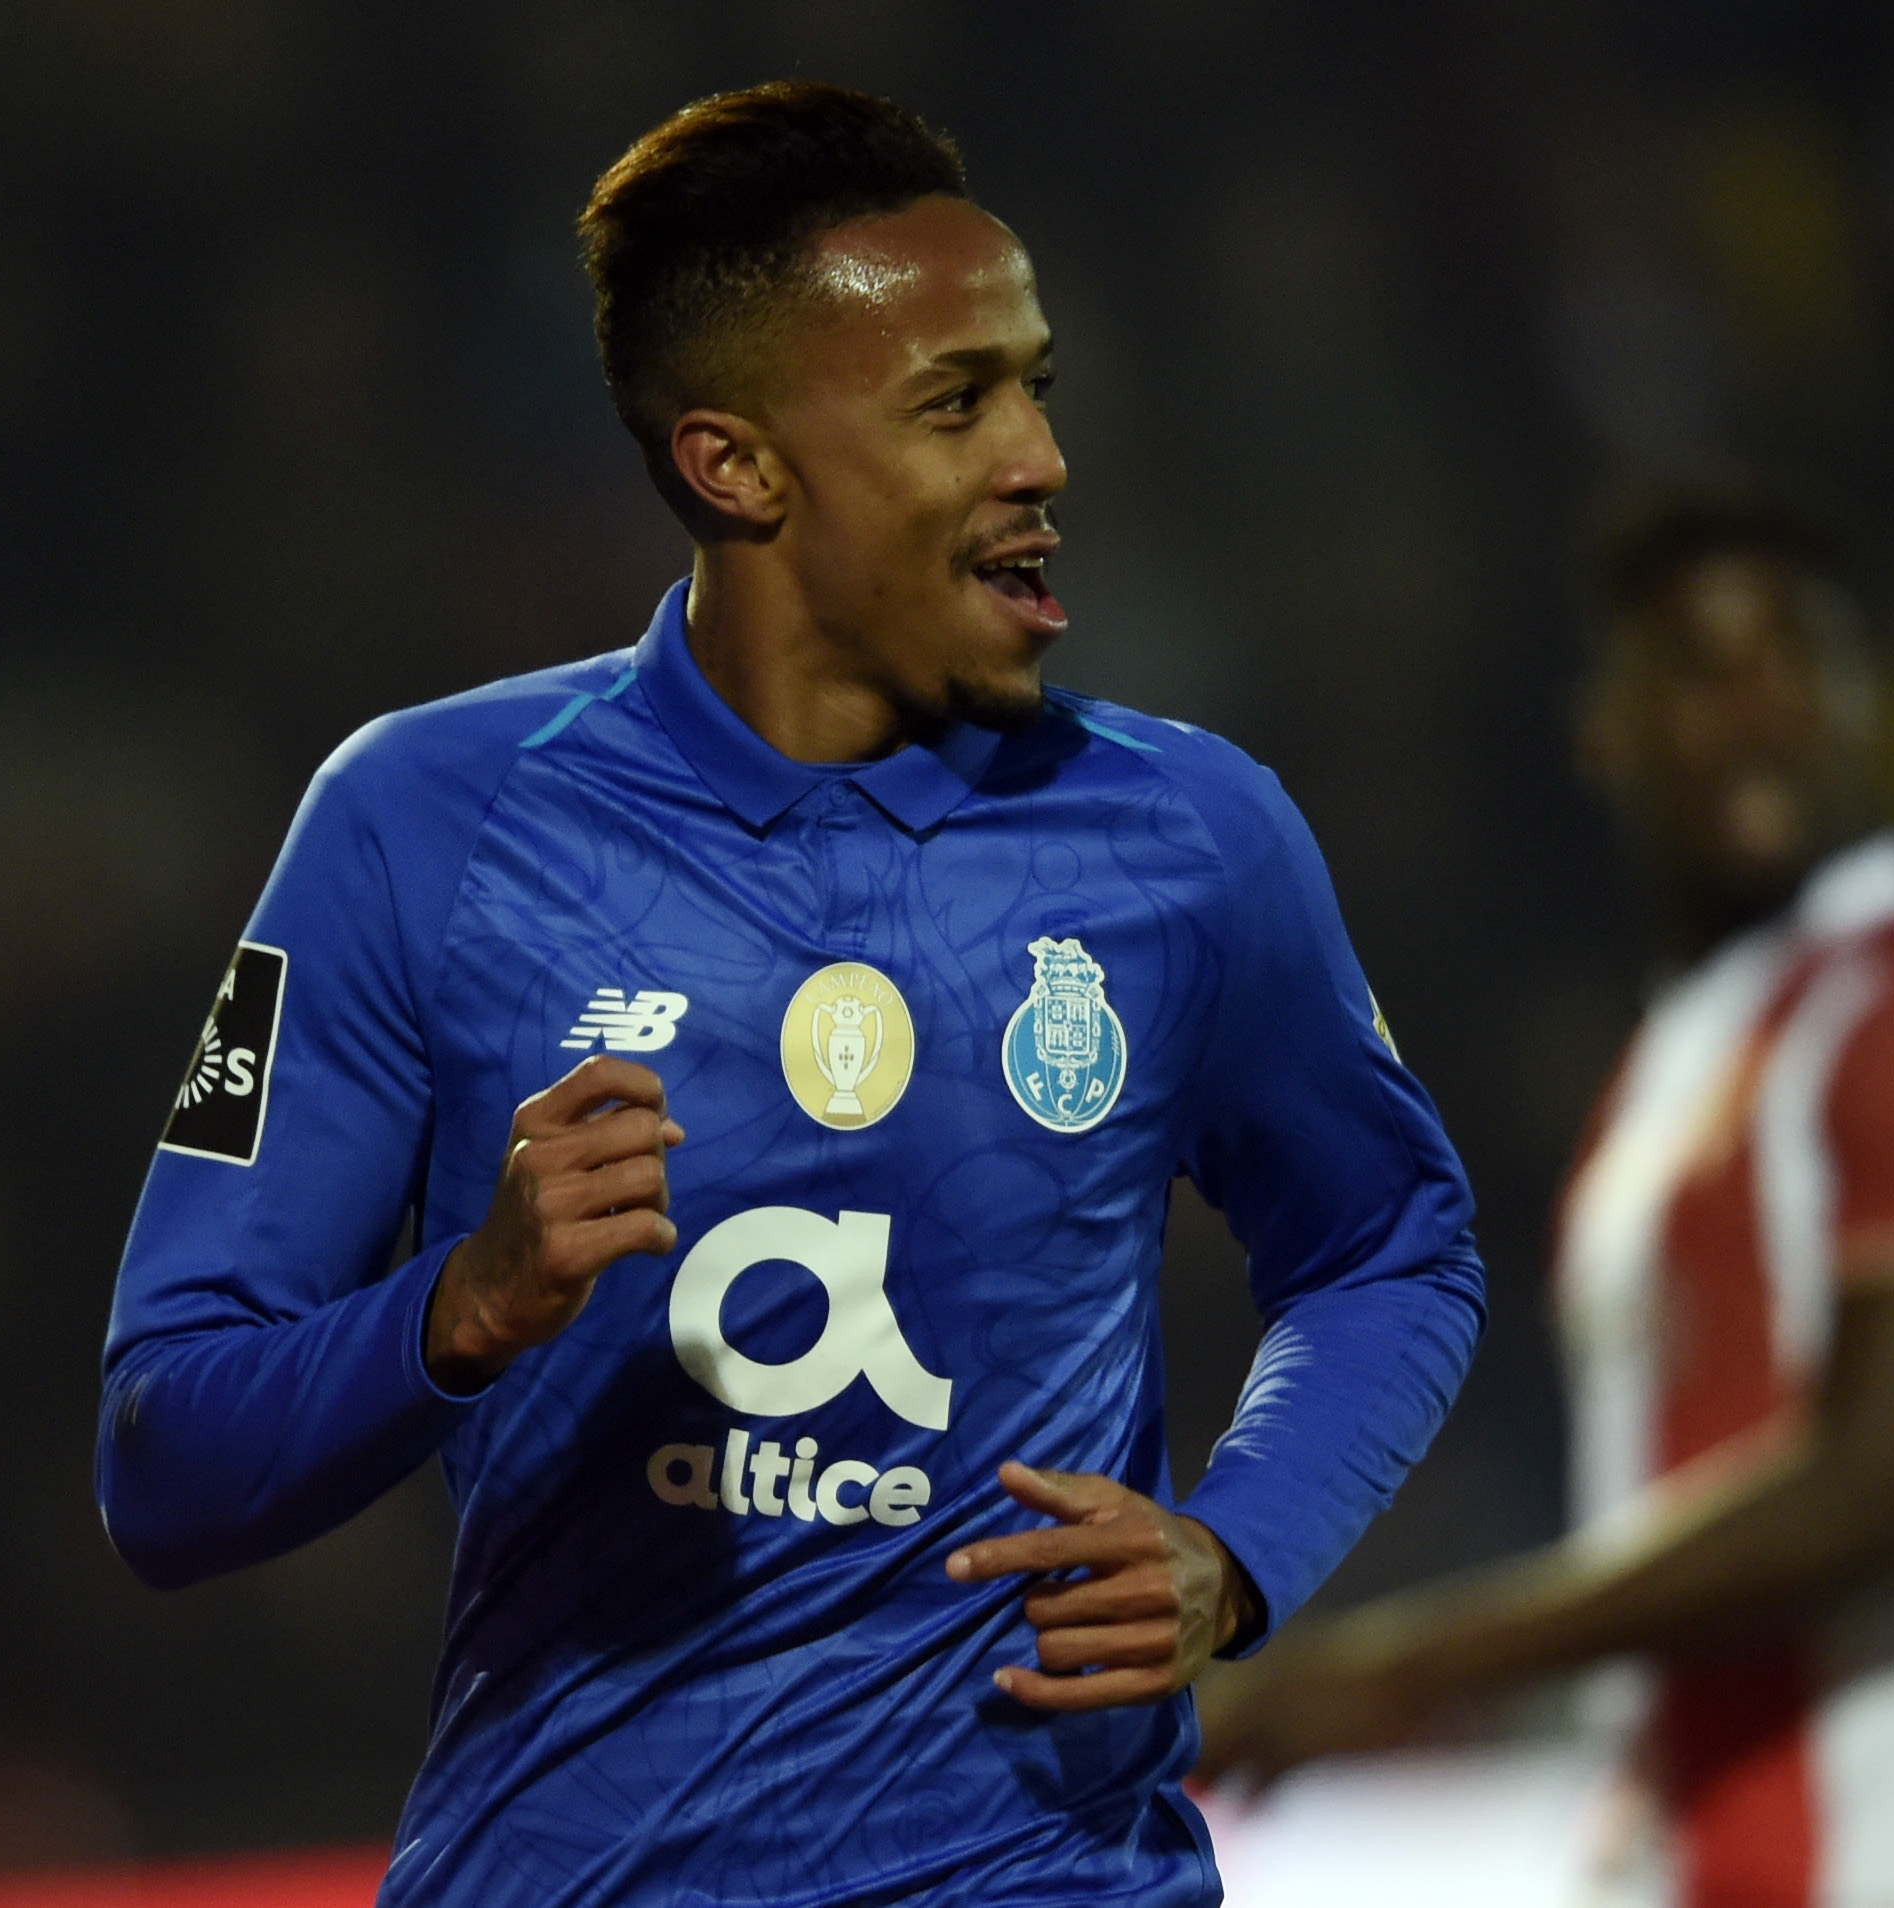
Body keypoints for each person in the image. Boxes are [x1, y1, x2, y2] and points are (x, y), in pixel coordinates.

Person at [93, 82, 1484, 1908]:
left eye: (1036, 386)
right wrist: (464, 1305)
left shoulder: (1191, 838)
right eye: (954, 400)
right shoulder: (419, 824)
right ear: (733, 465)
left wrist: (1238, 1551)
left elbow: (1390, 1247)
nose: (1041, 459)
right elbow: (162, 1451)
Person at [1197, 495, 1894, 1907]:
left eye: (1802, 657)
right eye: (1705, 669)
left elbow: (1874, 1491)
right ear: (1607, 730)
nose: (1760, 704)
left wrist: (1408, 1664)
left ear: (1863, 703)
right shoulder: (1679, 1067)